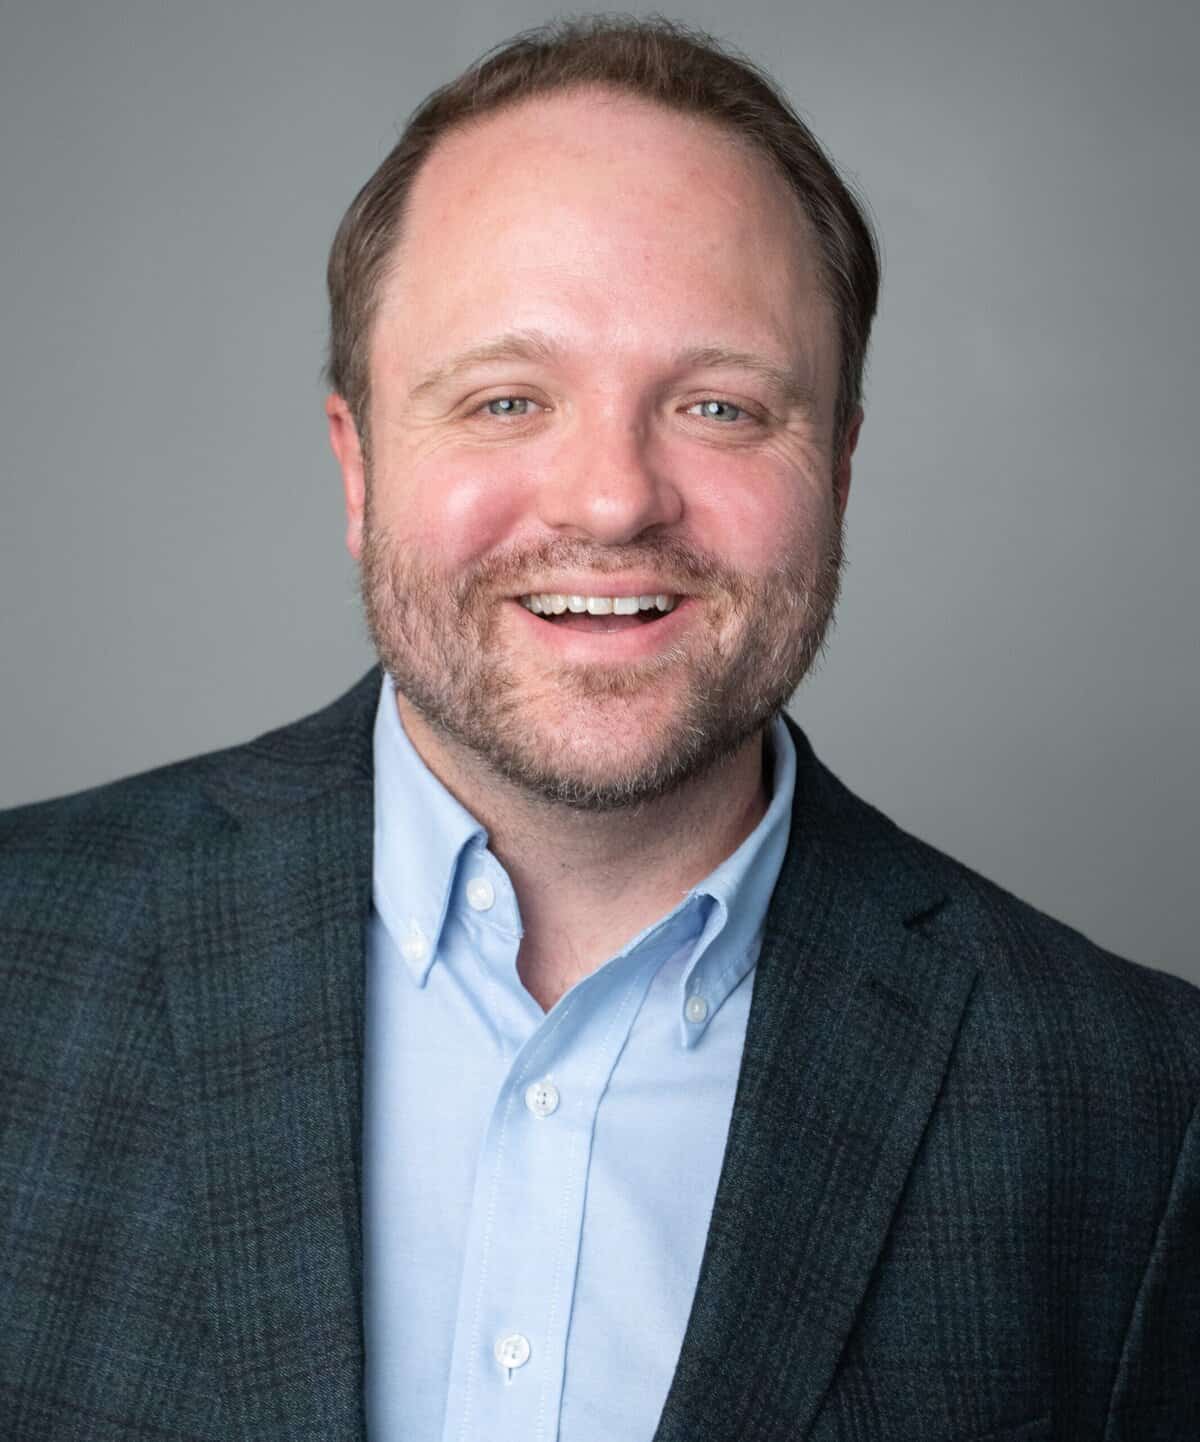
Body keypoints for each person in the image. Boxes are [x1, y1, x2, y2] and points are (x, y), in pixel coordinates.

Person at [1, 16, 1196, 1442]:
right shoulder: (23, 953)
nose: (614, 500)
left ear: (842, 466)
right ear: (358, 465)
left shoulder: (1141, 1107)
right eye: (508, 399)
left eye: (719, 405)